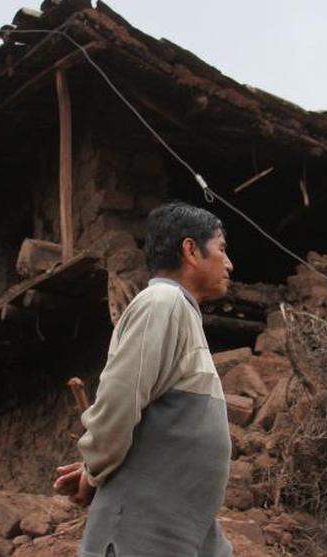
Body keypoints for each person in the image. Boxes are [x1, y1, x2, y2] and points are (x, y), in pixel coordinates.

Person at [54, 202, 235, 557]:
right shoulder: (161, 302)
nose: (229, 264)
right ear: (191, 250)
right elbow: (119, 400)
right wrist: (95, 466)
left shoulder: (181, 312)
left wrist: (95, 467)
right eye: (222, 249)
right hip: (141, 529)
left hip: (177, 525)